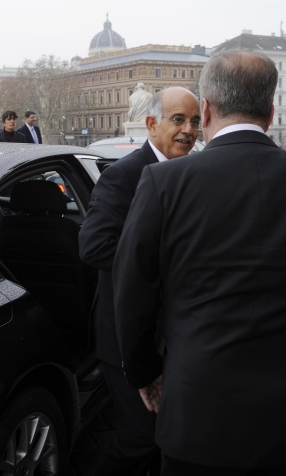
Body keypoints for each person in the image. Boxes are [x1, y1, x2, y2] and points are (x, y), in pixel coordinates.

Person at [112, 50, 286, 475]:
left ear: (205, 108)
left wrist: (145, 373)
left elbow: (133, 292)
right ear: (271, 109)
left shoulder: (165, 182)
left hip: (197, 400)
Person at [79, 86, 200, 475]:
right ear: (151, 123)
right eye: (178, 119)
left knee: (167, 435)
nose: (188, 130)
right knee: (141, 437)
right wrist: (170, 261)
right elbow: (95, 247)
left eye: (195, 121)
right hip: (127, 338)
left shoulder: (196, 173)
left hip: (178, 337)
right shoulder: (123, 176)